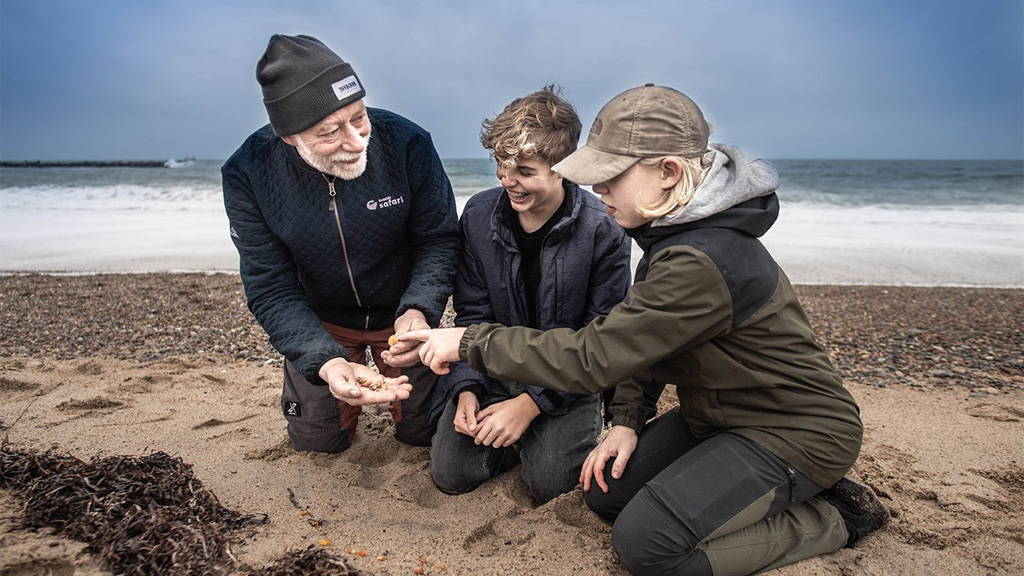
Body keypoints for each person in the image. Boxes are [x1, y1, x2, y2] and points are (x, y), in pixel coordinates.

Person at [401, 84, 889, 575]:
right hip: (716, 415)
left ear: (668, 172)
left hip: (795, 430)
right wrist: (628, 421)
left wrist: (468, 340)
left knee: (647, 546)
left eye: (611, 177)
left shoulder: (701, 259)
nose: (598, 190)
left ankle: (834, 516)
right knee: (603, 492)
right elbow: (642, 343)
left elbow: (595, 354)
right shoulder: (669, 233)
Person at [222, 34, 459, 454]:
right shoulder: (248, 172)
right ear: (289, 137)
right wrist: (325, 360)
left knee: (424, 433)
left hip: (402, 314)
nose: (355, 141)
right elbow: (270, 286)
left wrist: (419, 309)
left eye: (359, 117)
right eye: (330, 131)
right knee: (317, 443)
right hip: (322, 320)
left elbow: (437, 239)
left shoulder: (408, 142)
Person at [421, 86, 632, 504]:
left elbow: (599, 337)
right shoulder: (479, 215)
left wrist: (530, 405)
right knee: (451, 473)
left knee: (550, 485)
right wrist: (467, 388)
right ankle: (517, 442)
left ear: (563, 169)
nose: (507, 179)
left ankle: (541, 438)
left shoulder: (603, 229)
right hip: (493, 367)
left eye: (523, 170)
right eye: (501, 163)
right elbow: (472, 313)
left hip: (568, 374)